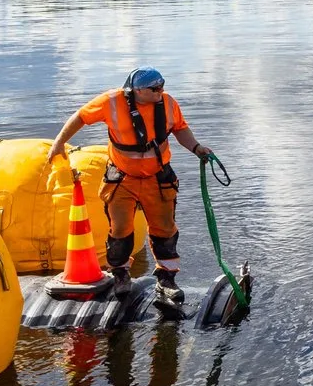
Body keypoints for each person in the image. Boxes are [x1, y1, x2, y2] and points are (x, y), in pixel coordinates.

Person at [44, 67, 215, 315]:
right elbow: (80, 117)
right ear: (137, 90)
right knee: (121, 229)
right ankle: (121, 273)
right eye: (155, 89)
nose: (161, 92)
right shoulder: (111, 102)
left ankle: (166, 280)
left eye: (163, 86)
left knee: (165, 230)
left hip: (158, 178)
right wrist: (58, 144)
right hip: (122, 179)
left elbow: (180, 128)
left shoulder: (167, 103)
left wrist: (197, 147)